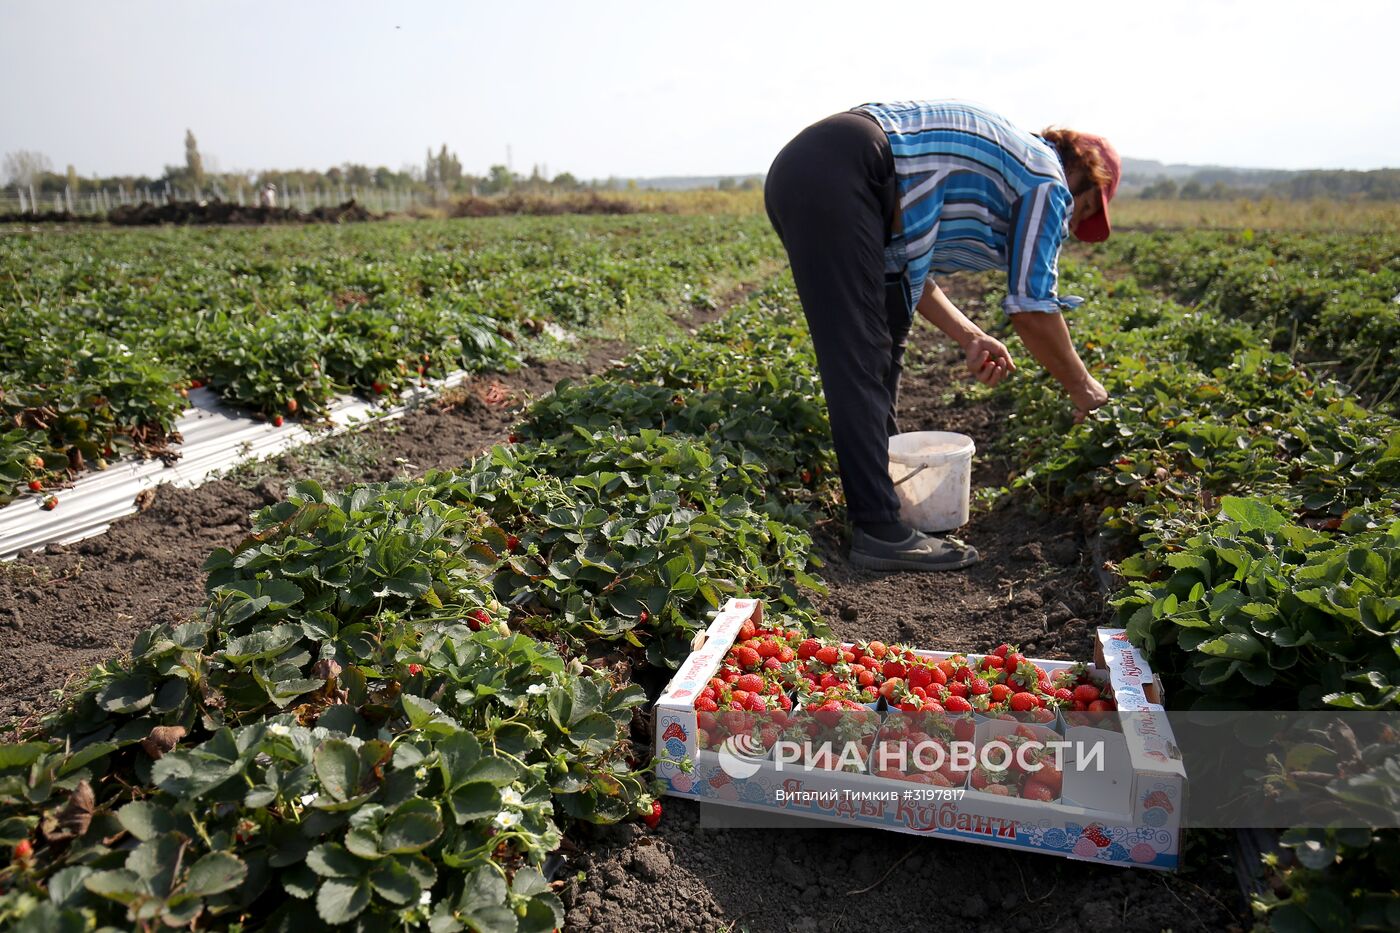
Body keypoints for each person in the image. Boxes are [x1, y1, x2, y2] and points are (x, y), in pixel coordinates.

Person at [764, 100, 1120, 573]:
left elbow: (919, 273)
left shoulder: (1009, 166)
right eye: (1087, 209)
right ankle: (879, 530)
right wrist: (1086, 389)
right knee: (860, 354)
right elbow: (1033, 309)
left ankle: (885, 502)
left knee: (882, 342)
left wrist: (971, 335)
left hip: (820, 165)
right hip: (847, 168)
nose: (1075, 226)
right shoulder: (1048, 183)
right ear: (1085, 177)